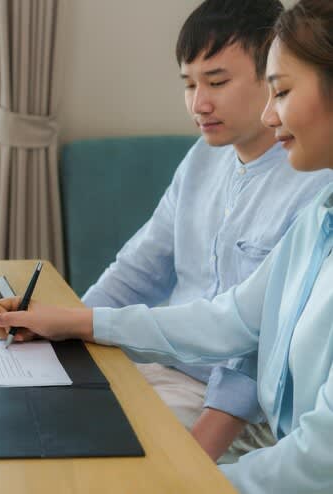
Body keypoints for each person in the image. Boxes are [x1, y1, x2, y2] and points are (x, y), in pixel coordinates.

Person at [0, 0, 333, 491]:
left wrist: (185, 475)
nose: (199, 103)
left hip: (249, 422)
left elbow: (314, 455)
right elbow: (226, 317)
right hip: (174, 370)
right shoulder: (321, 210)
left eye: (280, 91)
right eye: (190, 84)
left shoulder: (306, 189)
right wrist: (74, 324)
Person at [79, 0, 332, 464]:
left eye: (216, 82)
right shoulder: (203, 157)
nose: (199, 103)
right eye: (190, 84)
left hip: (233, 412)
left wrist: (194, 464)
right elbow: (138, 269)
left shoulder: (315, 182)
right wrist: (70, 339)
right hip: (164, 366)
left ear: (270, 75)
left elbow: (249, 345)